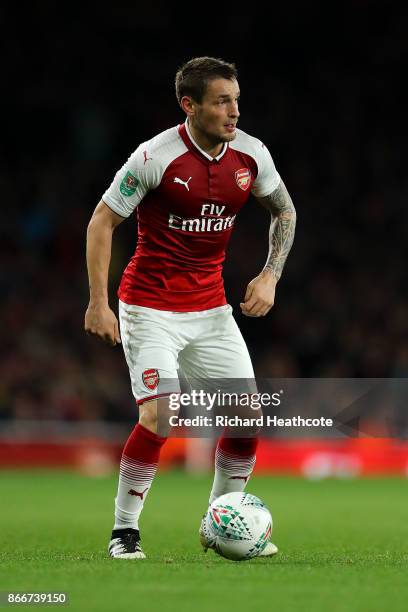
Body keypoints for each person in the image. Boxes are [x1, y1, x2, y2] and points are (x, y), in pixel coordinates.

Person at [85, 56, 296, 559]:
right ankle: (124, 533)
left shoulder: (251, 155)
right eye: (222, 101)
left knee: (247, 421)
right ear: (190, 105)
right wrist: (98, 302)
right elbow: (101, 221)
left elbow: (284, 210)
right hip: (149, 307)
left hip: (210, 311)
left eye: (237, 100)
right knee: (160, 414)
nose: (234, 111)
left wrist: (270, 274)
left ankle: (221, 524)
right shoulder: (155, 157)